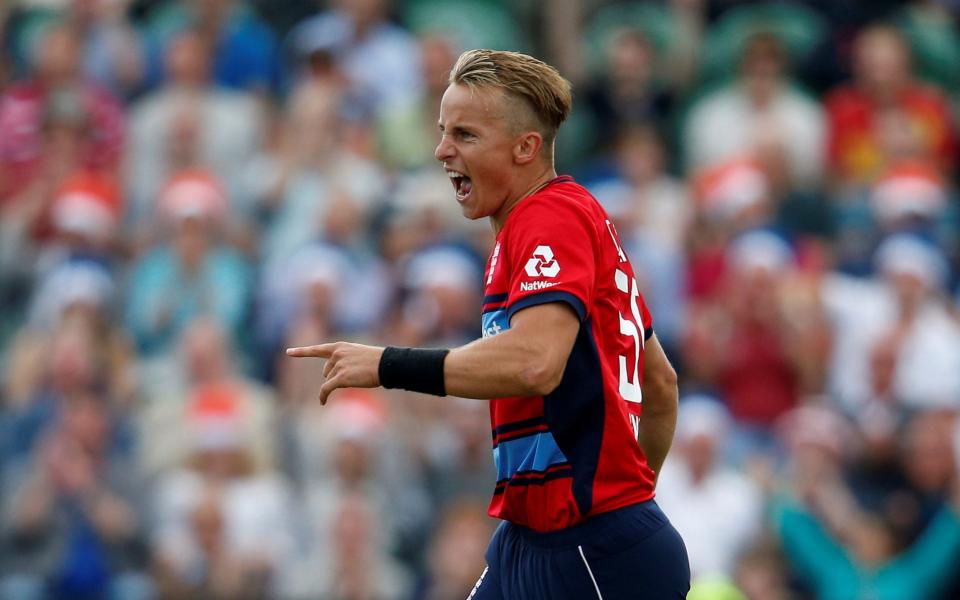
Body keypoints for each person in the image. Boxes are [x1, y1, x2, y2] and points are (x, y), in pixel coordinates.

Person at [287, 49, 690, 599]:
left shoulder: (548, 217)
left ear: (526, 147)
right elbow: (660, 384)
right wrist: (630, 503)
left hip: (586, 549)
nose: (441, 150)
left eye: (465, 135)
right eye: (442, 130)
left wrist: (386, 364)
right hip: (541, 539)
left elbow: (534, 362)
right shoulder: (556, 220)